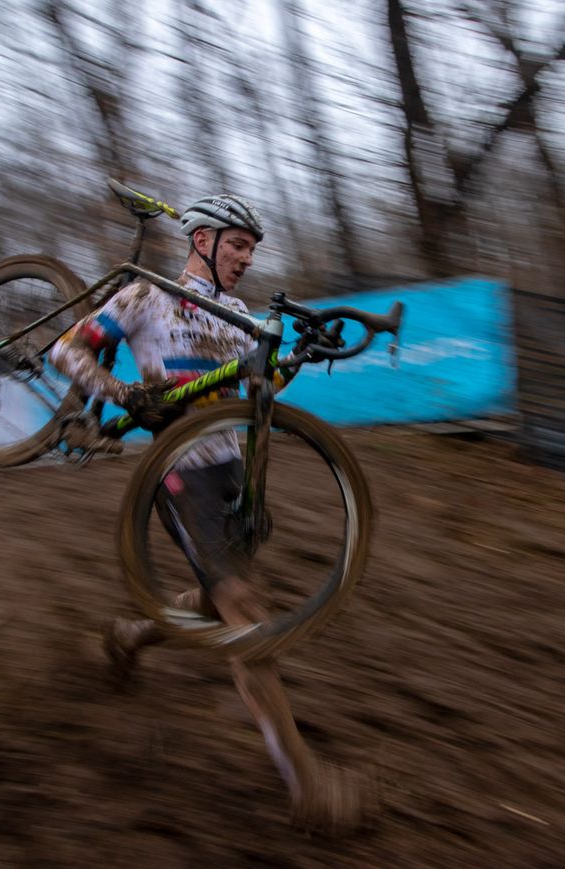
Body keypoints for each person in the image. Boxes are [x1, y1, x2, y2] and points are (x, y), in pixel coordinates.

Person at [48, 193, 369, 832]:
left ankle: (130, 634)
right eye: (238, 245)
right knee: (248, 616)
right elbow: (68, 352)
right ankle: (305, 780)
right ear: (203, 242)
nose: (247, 258)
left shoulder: (239, 314)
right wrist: (122, 391)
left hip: (234, 471)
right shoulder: (148, 296)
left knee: (216, 596)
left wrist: (296, 360)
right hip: (182, 475)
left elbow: (256, 390)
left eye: (252, 248)